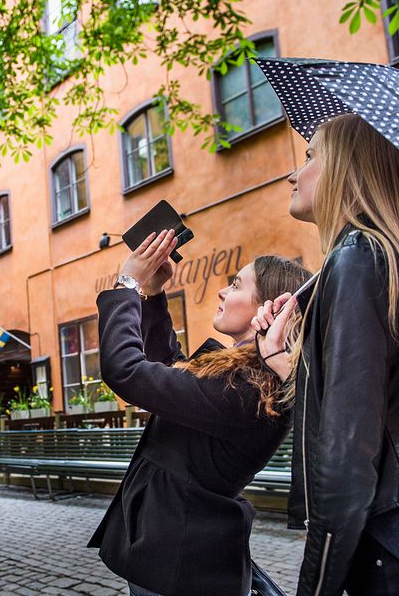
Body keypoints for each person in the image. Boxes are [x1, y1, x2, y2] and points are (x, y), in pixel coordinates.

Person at [88, 229, 311, 596]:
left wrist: (127, 284)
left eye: (236, 285)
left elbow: (127, 371)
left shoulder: (249, 389)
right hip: (173, 549)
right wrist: (154, 294)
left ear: (267, 307)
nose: (223, 292)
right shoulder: (243, 375)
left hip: (179, 561)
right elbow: (171, 367)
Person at [252, 113, 399, 595]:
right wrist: (291, 367)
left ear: (348, 167)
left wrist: (315, 585)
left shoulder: (357, 257)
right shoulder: (375, 258)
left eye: (311, 155)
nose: (295, 173)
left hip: (381, 544)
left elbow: (348, 457)